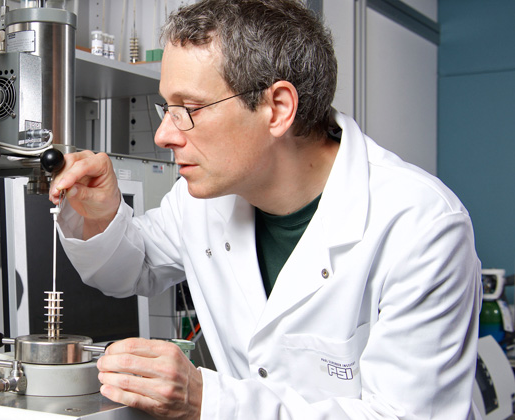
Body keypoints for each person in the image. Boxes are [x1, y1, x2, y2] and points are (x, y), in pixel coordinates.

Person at [49, 0, 482, 418]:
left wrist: (207, 403)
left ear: (277, 109)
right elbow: (133, 266)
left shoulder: (420, 226)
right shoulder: (204, 198)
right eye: (167, 107)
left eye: (190, 109)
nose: (163, 135)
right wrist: (101, 213)